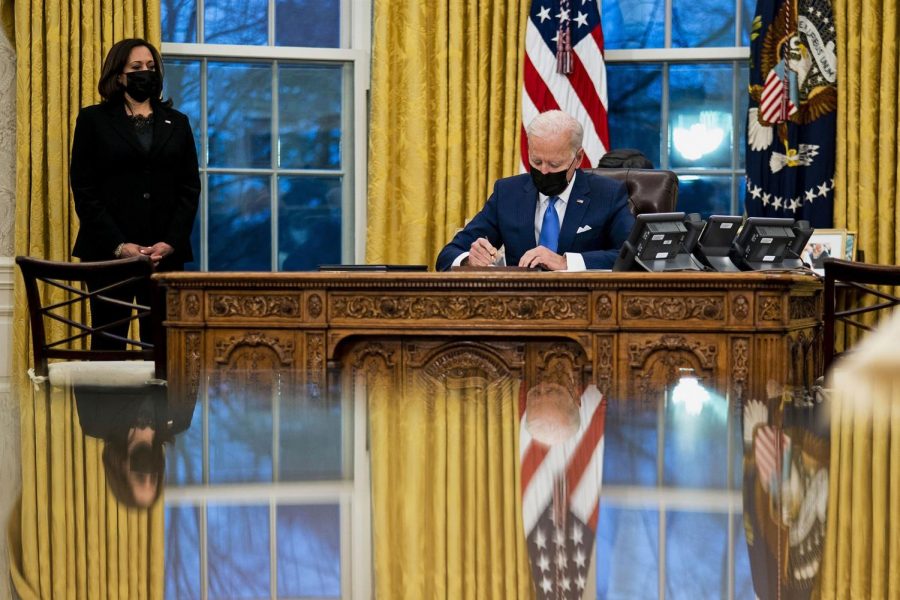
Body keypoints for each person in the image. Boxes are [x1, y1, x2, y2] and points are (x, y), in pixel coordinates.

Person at [70, 38, 200, 348]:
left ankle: (159, 401)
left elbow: (189, 188)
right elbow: (84, 190)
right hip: (108, 254)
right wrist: (119, 245)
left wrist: (170, 242)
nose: (146, 72)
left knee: (162, 350)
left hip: (163, 256)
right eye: (137, 67)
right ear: (118, 75)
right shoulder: (93, 120)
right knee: (107, 346)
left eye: (151, 67)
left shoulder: (178, 122)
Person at [435, 110, 635, 271]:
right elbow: (448, 255)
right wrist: (469, 260)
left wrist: (566, 263)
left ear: (578, 159)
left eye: (555, 164)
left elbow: (633, 257)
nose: (544, 171)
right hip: (520, 307)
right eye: (536, 161)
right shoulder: (508, 193)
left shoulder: (607, 194)